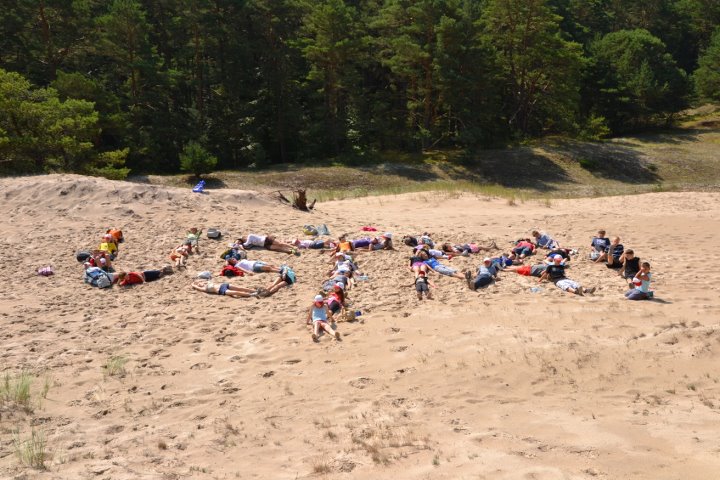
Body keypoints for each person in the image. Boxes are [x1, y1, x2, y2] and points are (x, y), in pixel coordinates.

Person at [191, 280, 257, 298]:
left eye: (199, 283)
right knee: (235, 293)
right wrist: (193, 284)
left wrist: (198, 281)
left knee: (239, 288)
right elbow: (195, 287)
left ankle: (254, 291)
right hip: (221, 290)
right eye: (198, 284)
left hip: (223, 285)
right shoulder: (204, 288)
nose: (199, 284)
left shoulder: (207, 282)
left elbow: (204, 279)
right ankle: (252, 295)